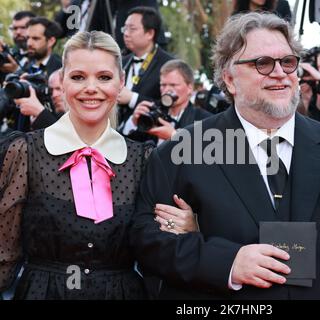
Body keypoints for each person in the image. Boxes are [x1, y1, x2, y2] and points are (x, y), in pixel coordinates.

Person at [130, 12, 320, 299]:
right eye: (262, 63)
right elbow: (149, 244)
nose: (280, 72)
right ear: (229, 79)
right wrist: (227, 263)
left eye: (288, 62)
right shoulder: (183, 152)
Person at [0, 30, 193, 299]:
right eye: (78, 77)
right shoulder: (24, 151)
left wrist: (188, 228)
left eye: (104, 77)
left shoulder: (143, 158)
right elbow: (4, 255)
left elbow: (161, 246)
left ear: (121, 83)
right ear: (62, 81)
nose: (91, 88)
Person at [121, 59, 212, 144]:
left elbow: (207, 155)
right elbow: (129, 145)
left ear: (190, 87)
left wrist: (175, 137)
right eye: (163, 85)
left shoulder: (204, 120)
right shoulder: (151, 111)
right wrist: (133, 122)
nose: (167, 90)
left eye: (173, 85)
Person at [117, 6, 173, 129]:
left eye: (132, 29)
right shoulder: (121, 61)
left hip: (148, 138)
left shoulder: (169, 64)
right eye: (125, 28)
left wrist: (132, 98)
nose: (126, 34)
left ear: (150, 33)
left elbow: (170, 106)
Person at [0, 11, 36, 79]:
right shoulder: (10, 55)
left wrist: (16, 71)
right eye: (15, 28)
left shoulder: (44, 57)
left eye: (23, 27)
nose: (18, 32)